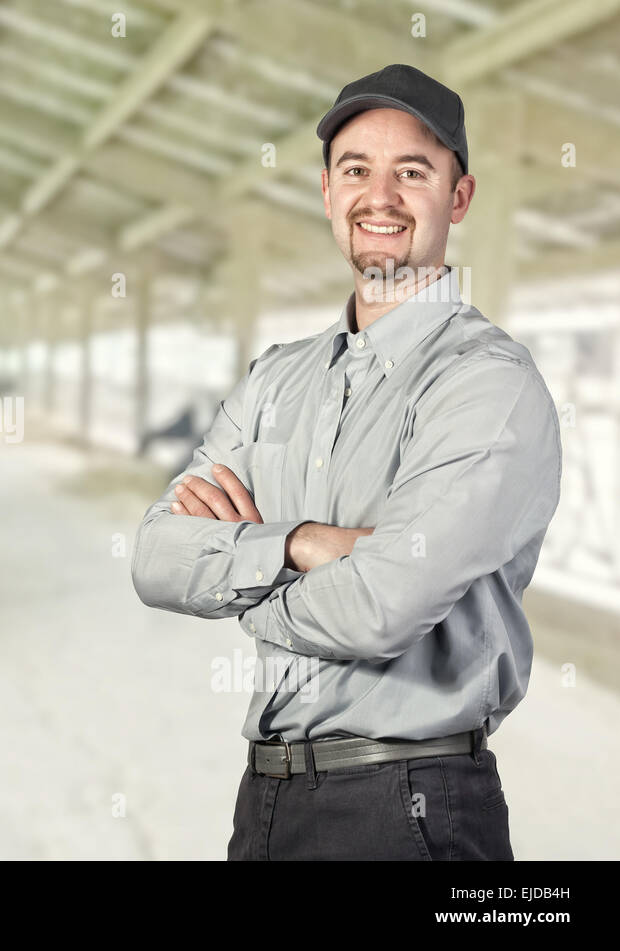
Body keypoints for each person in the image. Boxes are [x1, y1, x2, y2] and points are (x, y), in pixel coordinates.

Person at [130, 64, 562, 860]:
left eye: (413, 172)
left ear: (458, 198)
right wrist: (300, 544)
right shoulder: (275, 378)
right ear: (328, 192)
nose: (381, 196)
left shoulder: (486, 384)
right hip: (264, 802)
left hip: (410, 808)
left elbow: (380, 608)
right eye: (357, 170)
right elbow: (155, 557)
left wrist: (239, 578)